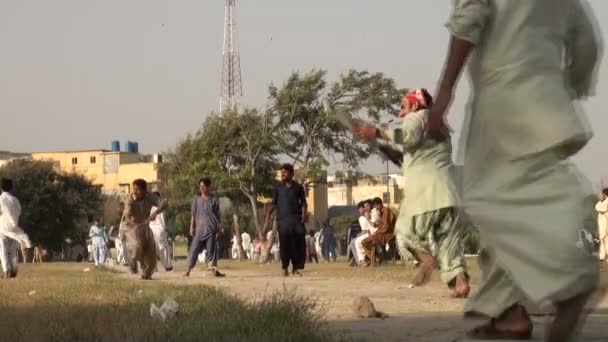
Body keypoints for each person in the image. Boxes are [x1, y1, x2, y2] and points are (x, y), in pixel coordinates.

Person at [427, 1, 601, 339]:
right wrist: (570, 86)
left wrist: (445, 91)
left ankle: (569, 277)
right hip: (548, 102)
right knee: (518, 199)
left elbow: (468, 18)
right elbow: (587, 41)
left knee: (483, 199)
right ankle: (509, 312)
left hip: (503, 99)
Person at [356, 89, 470, 297]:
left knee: (404, 233)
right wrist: (391, 153)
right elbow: (420, 156)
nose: (400, 114)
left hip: (425, 195)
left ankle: (425, 258)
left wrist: (376, 133)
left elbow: (408, 136)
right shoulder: (440, 125)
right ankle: (460, 283)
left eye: (403, 107)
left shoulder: (417, 117)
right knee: (448, 242)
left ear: (415, 106)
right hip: (449, 193)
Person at [266, 163, 308, 277]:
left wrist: (304, 215)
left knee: (298, 243)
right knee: (285, 244)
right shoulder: (278, 188)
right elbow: (273, 204)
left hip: (296, 219)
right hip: (283, 220)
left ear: (292, 174)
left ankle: (295, 268)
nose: (282, 175)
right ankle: (285, 268)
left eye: (285, 172)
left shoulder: (298, 187)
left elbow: (304, 203)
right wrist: (268, 214)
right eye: (281, 173)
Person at [122, 179, 167, 280]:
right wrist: (130, 219)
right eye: (134, 189)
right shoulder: (129, 199)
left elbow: (164, 204)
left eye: (137, 189)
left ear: (144, 191)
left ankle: (146, 274)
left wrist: (155, 213)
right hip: (131, 227)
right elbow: (127, 214)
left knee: (151, 256)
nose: (135, 191)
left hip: (144, 226)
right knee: (137, 248)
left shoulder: (150, 197)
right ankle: (132, 261)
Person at [184, 177, 225, 277]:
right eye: (201, 187)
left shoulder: (214, 200)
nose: (202, 188)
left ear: (209, 187)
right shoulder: (196, 200)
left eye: (204, 186)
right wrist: (191, 227)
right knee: (194, 249)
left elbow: (217, 216)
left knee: (212, 250)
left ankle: (213, 270)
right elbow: (193, 215)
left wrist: (219, 228)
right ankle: (188, 270)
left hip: (211, 228)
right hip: (199, 229)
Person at [0, 178, 32, 279]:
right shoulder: (15, 200)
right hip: (14, 226)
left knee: (3, 249)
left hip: (4, 225)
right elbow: (19, 212)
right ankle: (13, 271)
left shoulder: (1, 198)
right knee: (13, 249)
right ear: (11, 188)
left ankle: (6, 271)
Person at [361, 198, 397, 264]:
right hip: (381, 234)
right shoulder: (380, 212)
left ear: (379, 204)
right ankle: (377, 259)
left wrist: (377, 233)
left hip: (386, 235)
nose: (376, 207)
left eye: (376, 205)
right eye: (375, 206)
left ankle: (376, 259)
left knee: (364, 242)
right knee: (364, 242)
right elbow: (379, 226)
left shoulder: (386, 211)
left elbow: (386, 227)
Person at [149, 192, 173, 272]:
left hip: (155, 229)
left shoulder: (159, 204)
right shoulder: (159, 204)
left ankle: (154, 267)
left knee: (154, 248)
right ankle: (167, 266)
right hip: (157, 228)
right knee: (161, 248)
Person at [354, 200, 375, 267]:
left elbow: (374, 224)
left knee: (357, 241)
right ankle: (362, 260)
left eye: (367, 206)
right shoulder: (366, 215)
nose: (366, 208)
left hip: (373, 233)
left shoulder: (373, 212)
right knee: (357, 241)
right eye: (365, 207)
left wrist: (368, 218)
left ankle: (362, 260)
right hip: (370, 233)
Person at [597, 188, 608, 262]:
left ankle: (604, 256)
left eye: (603, 194)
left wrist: (601, 201)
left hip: (605, 222)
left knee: (605, 240)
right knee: (603, 240)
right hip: (603, 222)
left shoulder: (606, 201)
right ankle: (602, 256)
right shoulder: (604, 201)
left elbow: (598, 207)